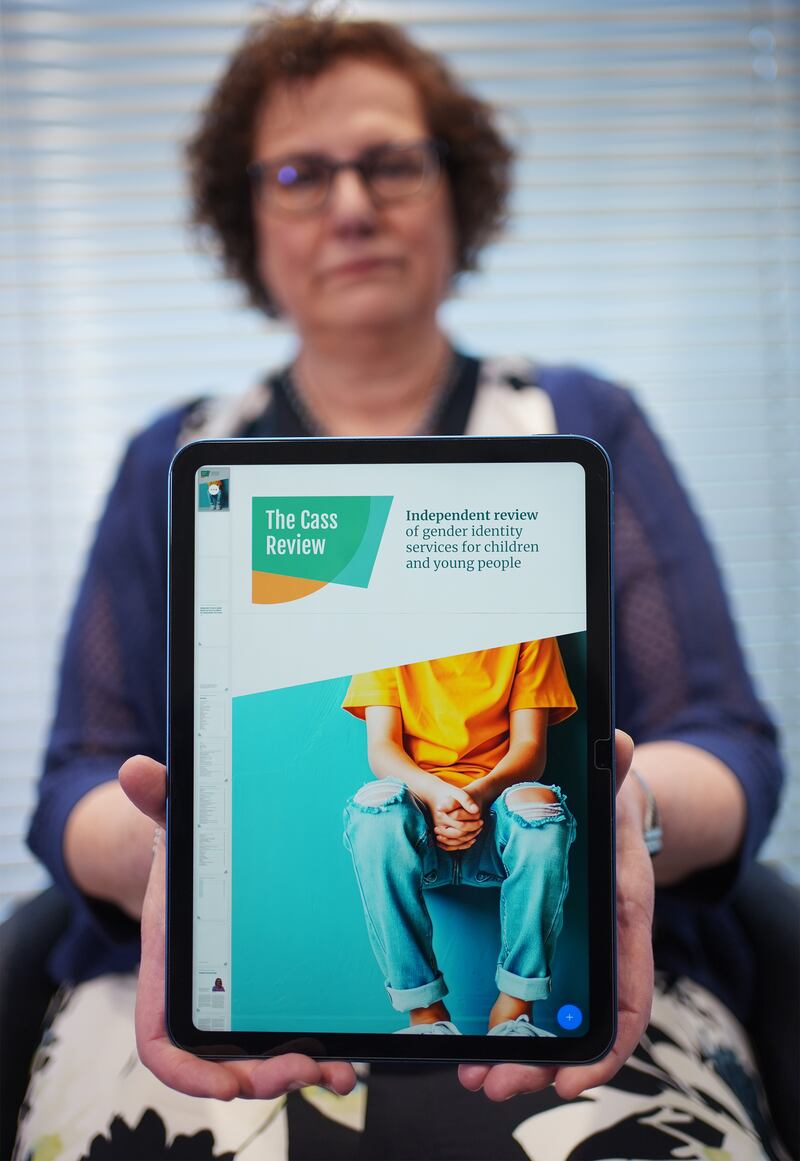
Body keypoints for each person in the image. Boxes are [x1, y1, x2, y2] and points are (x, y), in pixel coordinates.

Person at [18, 11, 787, 1160]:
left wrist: (619, 813)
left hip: (586, 963)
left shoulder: (584, 424)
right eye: (297, 173)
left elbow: (724, 745)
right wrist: (191, 859)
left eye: (389, 162)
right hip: (227, 978)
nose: (349, 204)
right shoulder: (170, 460)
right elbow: (77, 775)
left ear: (453, 190)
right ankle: (407, 984)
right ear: (248, 219)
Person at [342, 640, 578, 1035]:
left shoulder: (532, 633)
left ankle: (514, 1009)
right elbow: (382, 748)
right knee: (374, 806)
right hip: (418, 828)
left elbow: (530, 748)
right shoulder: (382, 633)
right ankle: (424, 1013)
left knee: (542, 807)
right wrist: (436, 796)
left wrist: (476, 797)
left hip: (495, 819)